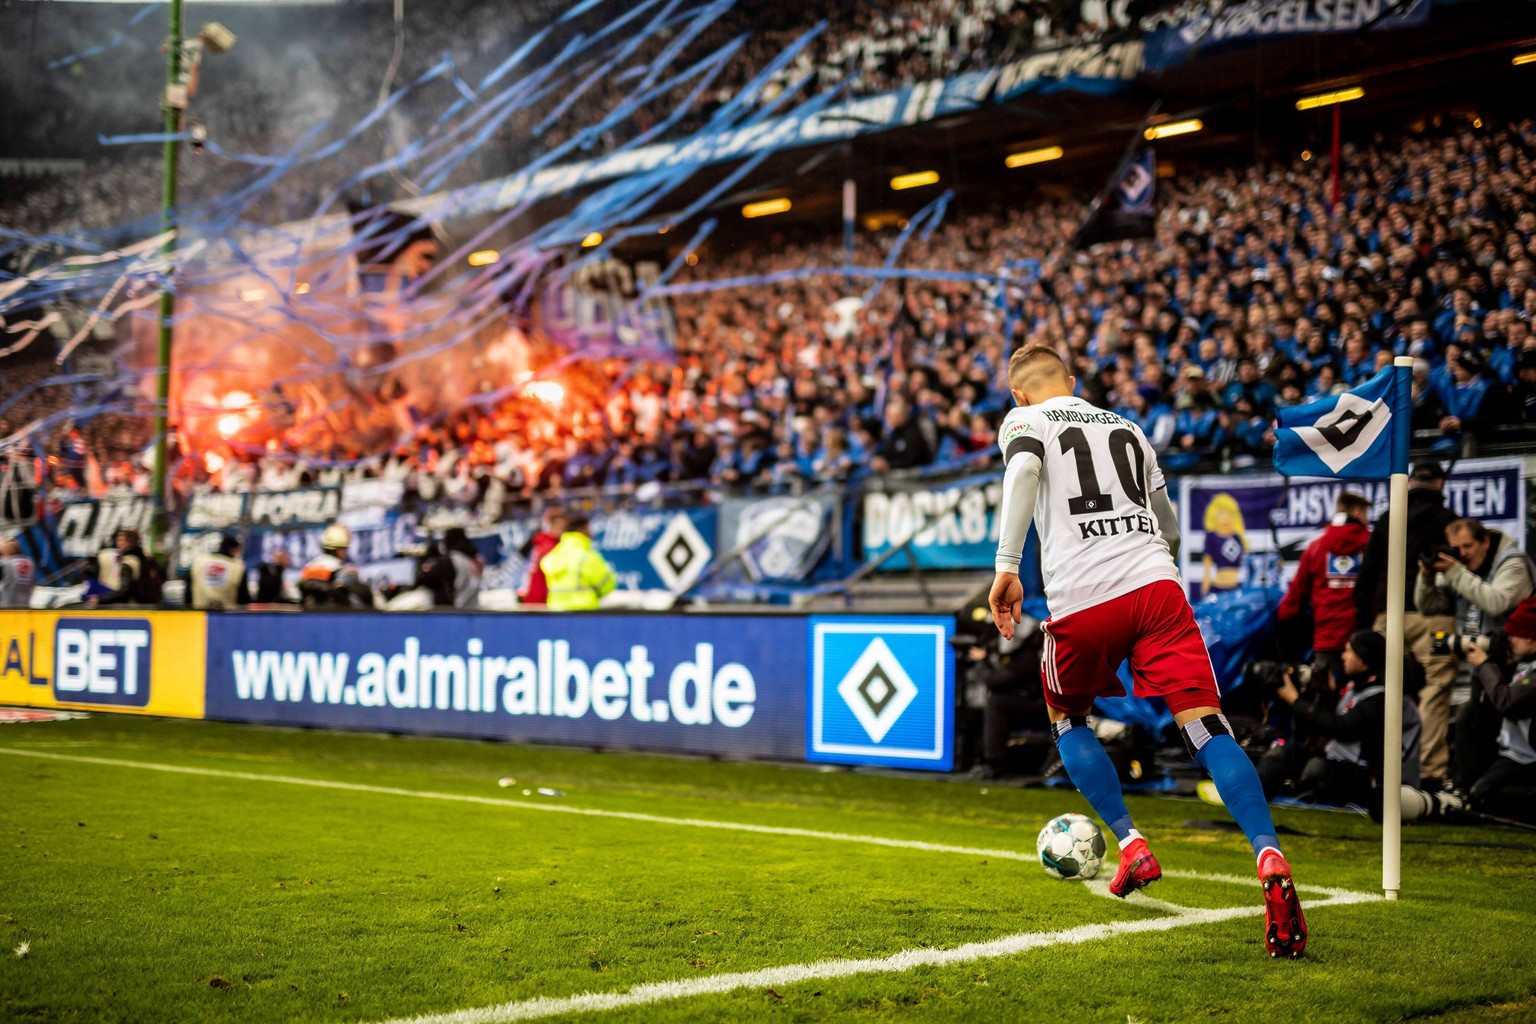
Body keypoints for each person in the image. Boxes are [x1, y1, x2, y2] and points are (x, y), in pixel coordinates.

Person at [988, 346, 1306, 959]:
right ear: (1075, 383)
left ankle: (1132, 843)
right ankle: (1268, 853)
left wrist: (1006, 566)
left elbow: (1024, 473)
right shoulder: (1129, 428)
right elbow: (1172, 527)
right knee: (1209, 728)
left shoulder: (1024, 421)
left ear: (1021, 394)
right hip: (1158, 587)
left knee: (1067, 719)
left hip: (1084, 597)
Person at [1264, 630, 1452, 821]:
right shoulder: (1359, 686)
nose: (1343, 657)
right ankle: (1249, 800)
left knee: (1317, 769)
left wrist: (1296, 702)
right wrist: (1328, 695)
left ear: (1363, 661)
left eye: (1348, 651)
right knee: (1284, 754)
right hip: (1345, 765)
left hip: (1376, 780)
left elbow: (1342, 728)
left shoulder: (1384, 697)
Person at [1355, 460, 1459, 788]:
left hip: (1389, 614)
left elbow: (1367, 573)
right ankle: (1428, 776)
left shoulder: (1389, 519)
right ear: (1440, 484)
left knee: (1383, 692)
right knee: (1435, 693)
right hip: (1435, 617)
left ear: (1411, 483)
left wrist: (1365, 624)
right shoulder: (1449, 521)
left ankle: (1380, 769)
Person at [1277, 492, 1372, 681]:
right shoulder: (1373, 544)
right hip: (1363, 644)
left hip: (1326, 641)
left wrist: (1279, 620)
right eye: (1366, 514)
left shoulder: (1315, 547)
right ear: (1357, 511)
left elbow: (1292, 602)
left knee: (1323, 701)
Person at [1460, 597, 1536, 824]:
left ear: (1532, 638)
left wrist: (1485, 665)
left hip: (1527, 756)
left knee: (1485, 795)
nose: (1510, 640)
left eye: (1515, 635)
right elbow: (1481, 703)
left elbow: (1508, 701)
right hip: (1515, 752)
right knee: (1477, 795)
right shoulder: (1523, 663)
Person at [539, 515, 616, 611]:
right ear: (582, 529)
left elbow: (544, 565)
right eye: (588, 528)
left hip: (556, 612)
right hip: (585, 613)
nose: (591, 533)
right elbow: (607, 585)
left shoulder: (553, 555)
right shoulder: (588, 557)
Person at [298, 524, 371, 608]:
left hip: (308, 611)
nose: (345, 552)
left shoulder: (310, 565)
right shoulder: (339, 568)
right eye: (344, 549)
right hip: (333, 612)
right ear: (339, 549)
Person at [1199, 493, 1247, 596]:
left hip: (1236, 587)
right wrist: (1205, 584)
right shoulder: (1211, 537)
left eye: (1229, 514)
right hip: (1218, 586)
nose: (1225, 518)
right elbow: (1207, 563)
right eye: (1221, 514)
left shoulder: (1237, 537)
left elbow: (1247, 559)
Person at [518, 507, 566, 606]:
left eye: (564, 528)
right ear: (551, 525)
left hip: (537, 596)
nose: (562, 532)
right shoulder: (549, 544)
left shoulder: (541, 540)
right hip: (540, 597)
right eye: (560, 528)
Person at [189, 535, 248, 611]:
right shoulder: (237, 567)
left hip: (199, 615)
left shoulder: (199, 561)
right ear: (233, 550)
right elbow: (243, 599)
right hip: (226, 616)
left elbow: (188, 590)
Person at [0, 536, 36, 609]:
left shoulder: (5, 564)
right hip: (24, 606)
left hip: (5, 606)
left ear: (7, 551)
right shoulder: (29, 562)